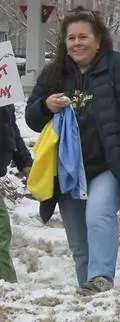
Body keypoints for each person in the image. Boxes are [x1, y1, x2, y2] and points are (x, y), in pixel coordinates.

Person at [25, 6, 120, 294]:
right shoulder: (54, 73)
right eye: (71, 37)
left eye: (84, 36)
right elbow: (32, 118)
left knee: (98, 213)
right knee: (79, 239)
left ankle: (101, 278)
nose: (77, 43)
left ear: (98, 40)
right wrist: (45, 106)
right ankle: (89, 295)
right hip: (70, 169)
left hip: (111, 165)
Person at [0, 104, 32, 283]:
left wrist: (24, 162)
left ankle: (6, 285)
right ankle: (5, 284)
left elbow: (10, 128)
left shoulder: (4, 88)